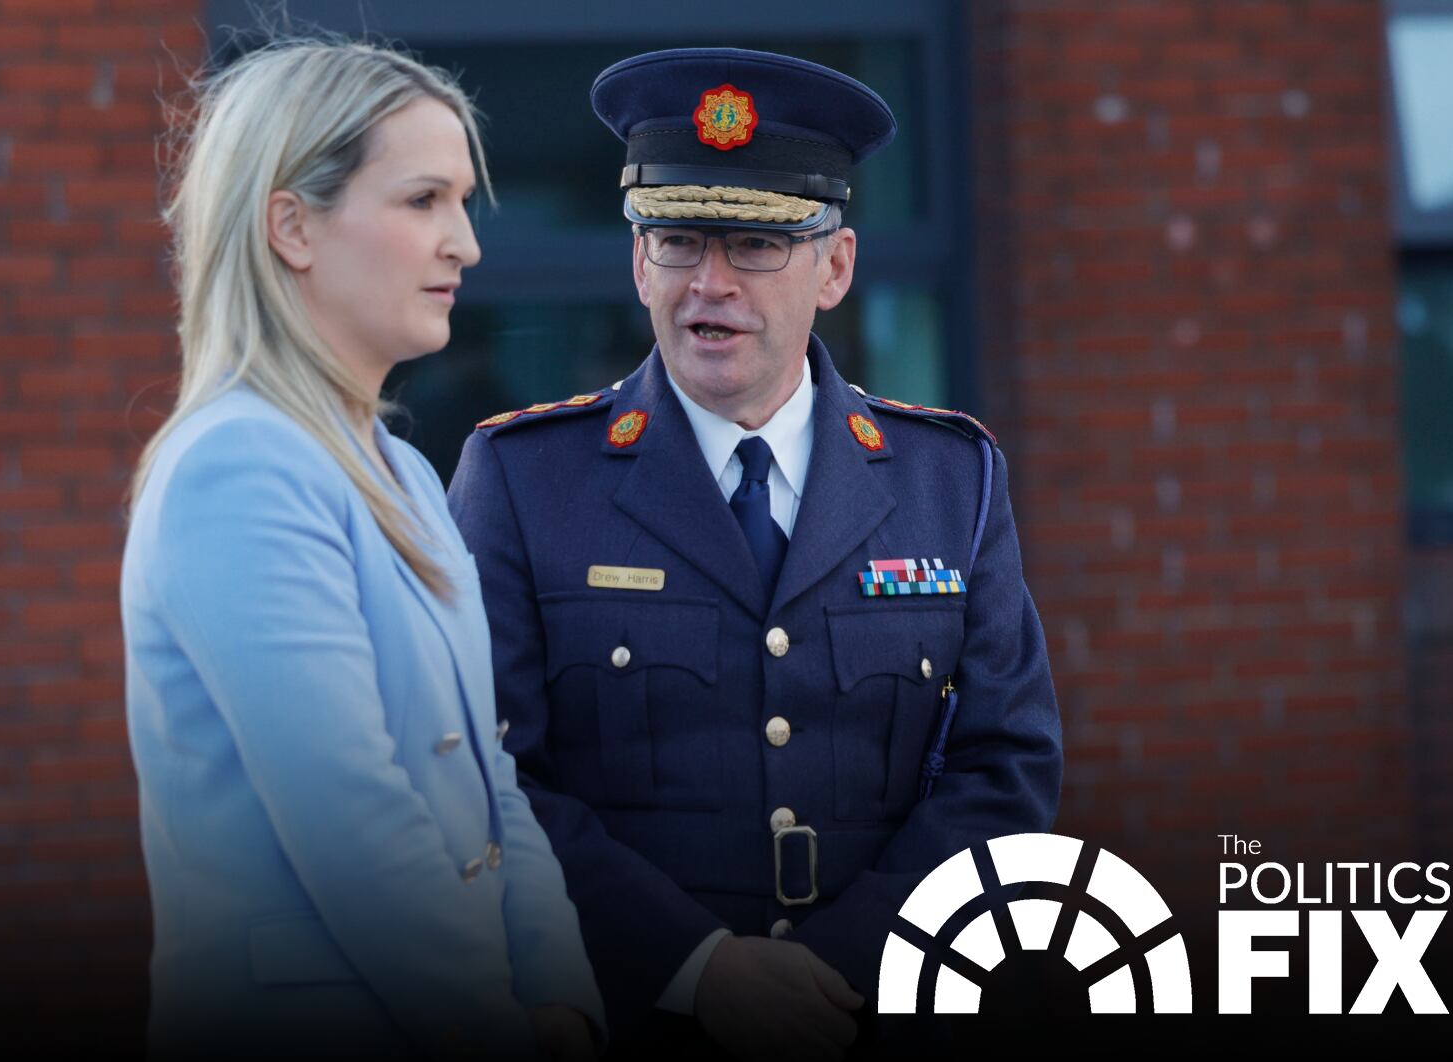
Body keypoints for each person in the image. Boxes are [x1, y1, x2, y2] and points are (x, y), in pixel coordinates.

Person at [448, 48, 1062, 1058]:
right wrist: (703, 971)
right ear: (639, 261)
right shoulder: (522, 478)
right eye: (679, 240)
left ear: (835, 267)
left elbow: (1007, 764)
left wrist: (844, 969)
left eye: (757, 244)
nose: (712, 283)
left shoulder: (948, 477)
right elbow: (493, 776)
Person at [121, 40, 602, 1060]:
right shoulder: (238, 466)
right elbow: (354, 826)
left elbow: (489, 780)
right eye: (424, 199)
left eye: (463, 201)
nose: (465, 245)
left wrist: (563, 1001)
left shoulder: (404, 475)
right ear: (291, 224)